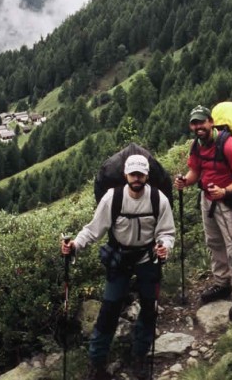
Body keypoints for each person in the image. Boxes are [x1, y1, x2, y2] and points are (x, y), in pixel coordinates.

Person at [61, 154, 174, 380]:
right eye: (133, 174)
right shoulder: (112, 199)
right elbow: (93, 230)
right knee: (109, 310)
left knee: (149, 308)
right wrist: (75, 245)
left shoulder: (158, 199)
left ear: (147, 176)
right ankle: (97, 363)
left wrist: (165, 247)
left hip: (147, 258)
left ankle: (139, 356)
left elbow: (167, 232)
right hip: (119, 258)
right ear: (125, 175)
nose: (137, 179)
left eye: (141, 175)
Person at [173, 105, 232, 321]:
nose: (198, 127)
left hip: (229, 201)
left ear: (211, 122)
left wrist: (225, 191)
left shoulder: (230, 145)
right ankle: (223, 283)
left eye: (201, 122)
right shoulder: (197, 145)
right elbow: (195, 171)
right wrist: (185, 181)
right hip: (208, 199)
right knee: (214, 242)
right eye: (194, 123)